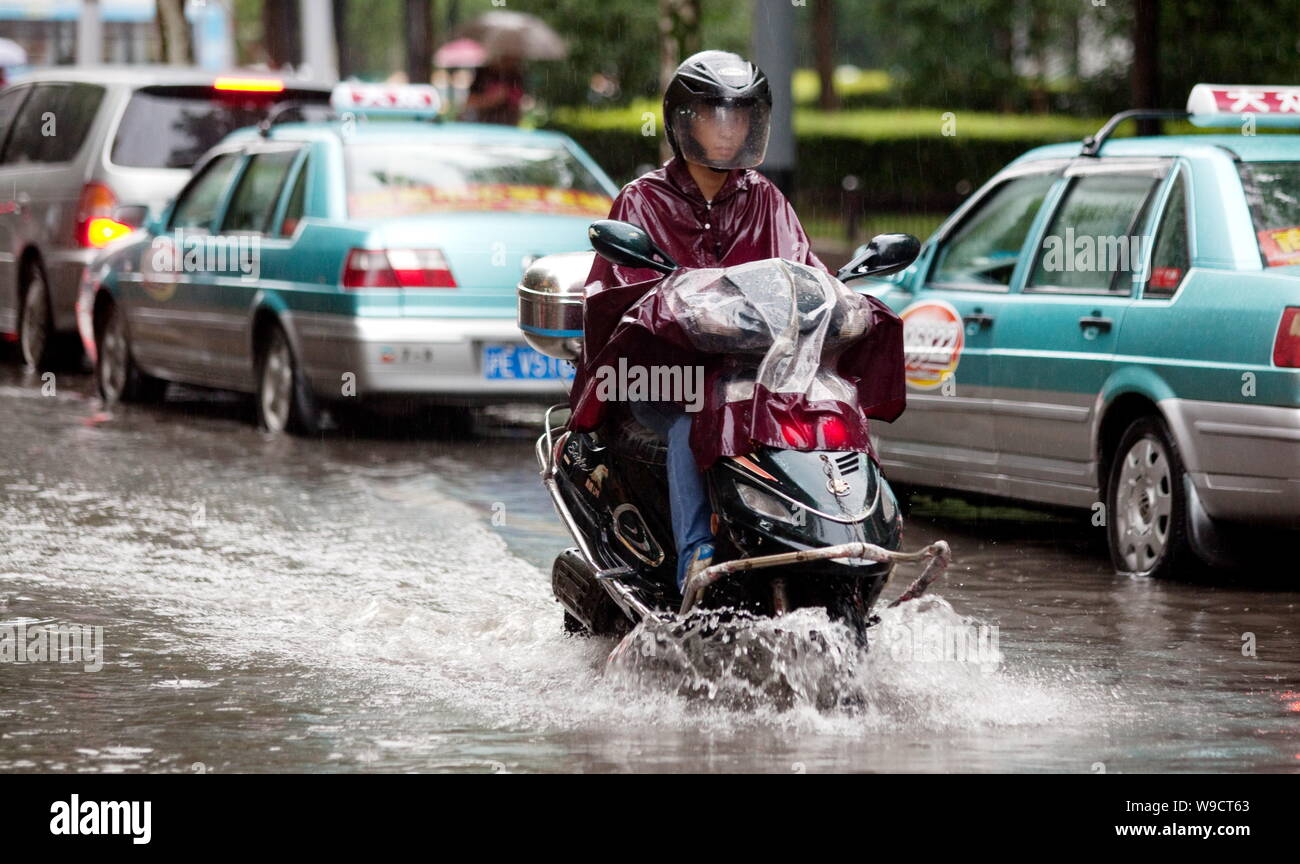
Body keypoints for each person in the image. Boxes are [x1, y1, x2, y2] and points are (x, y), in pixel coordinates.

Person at [573, 50, 832, 596]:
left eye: (737, 116)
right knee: (699, 414)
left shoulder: (766, 199)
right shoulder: (641, 200)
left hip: (754, 374)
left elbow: (802, 272)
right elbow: (617, 292)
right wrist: (674, 310)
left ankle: (838, 544)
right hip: (663, 380)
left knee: (830, 403)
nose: (726, 129)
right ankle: (698, 559)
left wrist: (832, 296)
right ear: (682, 121)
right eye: (712, 114)